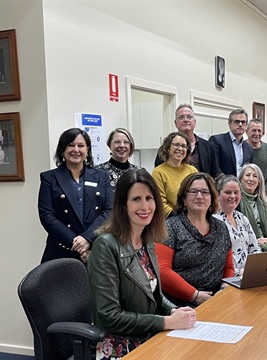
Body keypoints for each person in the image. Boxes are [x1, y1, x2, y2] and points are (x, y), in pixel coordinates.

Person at [87, 169, 196, 359]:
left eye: (149, 198)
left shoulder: (147, 241)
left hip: (148, 334)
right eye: (136, 199)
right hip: (119, 344)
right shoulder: (105, 246)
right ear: (122, 205)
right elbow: (110, 316)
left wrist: (174, 310)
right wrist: (166, 322)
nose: (145, 206)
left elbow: (156, 297)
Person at [155, 172, 234, 307]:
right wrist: (194, 295)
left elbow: (228, 267)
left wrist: (224, 288)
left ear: (212, 198)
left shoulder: (221, 227)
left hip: (216, 300)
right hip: (179, 304)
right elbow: (162, 271)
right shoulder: (169, 227)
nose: (199, 196)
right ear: (184, 199)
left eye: (205, 192)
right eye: (193, 192)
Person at [37, 128, 113, 263]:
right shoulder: (49, 178)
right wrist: (77, 244)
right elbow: (47, 215)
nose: (76, 150)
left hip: (94, 249)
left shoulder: (102, 176)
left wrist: (87, 238)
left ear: (87, 149)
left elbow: (109, 211)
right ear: (62, 149)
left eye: (81, 145)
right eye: (71, 145)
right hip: (61, 250)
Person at [154, 104, 221, 178]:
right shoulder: (166, 148)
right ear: (176, 123)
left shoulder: (208, 146)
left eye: (189, 117)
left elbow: (216, 174)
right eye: (181, 117)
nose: (186, 120)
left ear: (194, 122)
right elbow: (160, 172)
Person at [214, 174, 261, 276]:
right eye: (228, 192)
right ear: (217, 194)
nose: (233, 196)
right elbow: (216, 261)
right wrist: (238, 272)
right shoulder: (213, 221)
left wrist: (252, 268)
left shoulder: (242, 218)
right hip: (228, 278)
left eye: (236, 192)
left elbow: (255, 248)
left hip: (249, 274)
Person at [152, 132, 198, 218]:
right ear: (168, 147)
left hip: (193, 218)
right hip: (170, 220)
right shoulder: (158, 172)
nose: (180, 149)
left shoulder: (192, 170)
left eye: (184, 146)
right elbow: (160, 203)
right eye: (176, 145)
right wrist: (180, 220)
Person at [237, 163, 267, 251]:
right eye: (247, 175)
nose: (251, 179)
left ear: (259, 181)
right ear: (241, 179)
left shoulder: (265, 202)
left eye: (255, 176)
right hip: (247, 246)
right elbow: (236, 232)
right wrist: (255, 241)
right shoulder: (236, 202)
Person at [209, 108, 253, 177]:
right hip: (223, 185)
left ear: (246, 125)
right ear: (230, 124)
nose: (240, 124)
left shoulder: (249, 148)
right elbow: (214, 167)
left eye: (243, 122)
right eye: (237, 121)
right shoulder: (217, 141)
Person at [245, 119, 267, 193]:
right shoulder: (241, 148)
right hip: (245, 195)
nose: (257, 134)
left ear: (263, 132)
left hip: (265, 194)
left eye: (259, 131)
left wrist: (264, 191)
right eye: (254, 130)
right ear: (246, 131)